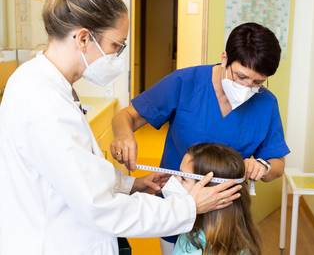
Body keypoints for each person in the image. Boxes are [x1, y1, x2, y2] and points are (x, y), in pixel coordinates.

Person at [0, 0, 241, 255]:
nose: (118, 56)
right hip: (54, 241)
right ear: (84, 38)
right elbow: (101, 208)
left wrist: (131, 184)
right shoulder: (42, 103)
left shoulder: (44, 84)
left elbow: (79, 172)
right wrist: (189, 207)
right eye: (116, 46)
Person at [111, 22, 290, 253]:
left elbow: (277, 164)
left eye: (257, 82)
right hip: (178, 206)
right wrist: (123, 135)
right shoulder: (186, 82)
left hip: (226, 218)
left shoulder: (266, 103)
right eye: (241, 76)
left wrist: (262, 167)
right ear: (225, 58)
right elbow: (127, 117)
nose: (247, 87)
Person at [173, 143, 262, 255]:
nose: (174, 180)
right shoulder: (241, 237)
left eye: (183, 178)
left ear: (211, 192)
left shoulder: (193, 248)